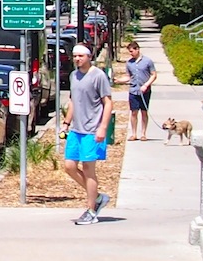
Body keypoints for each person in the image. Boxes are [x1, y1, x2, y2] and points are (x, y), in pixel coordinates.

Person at [64, 42, 112, 224]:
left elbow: (108, 103)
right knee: (69, 166)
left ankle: (91, 210)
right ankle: (98, 197)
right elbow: (73, 102)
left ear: (89, 56)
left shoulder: (98, 76)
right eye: (75, 56)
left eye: (81, 56)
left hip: (92, 130)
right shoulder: (73, 76)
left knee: (88, 170)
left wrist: (103, 127)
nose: (77, 59)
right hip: (76, 129)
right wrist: (66, 123)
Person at [123, 39, 157, 139]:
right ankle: (134, 134)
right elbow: (128, 76)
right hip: (133, 91)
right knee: (133, 112)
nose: (130, 53)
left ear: (137, 49)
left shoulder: (148, 61)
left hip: (145, 91)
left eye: (131, 51)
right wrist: (118, 80)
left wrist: (146, 85)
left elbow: (154, 75)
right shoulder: (129, 63)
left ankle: (143, 133)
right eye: (129, 51)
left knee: (144, 112)